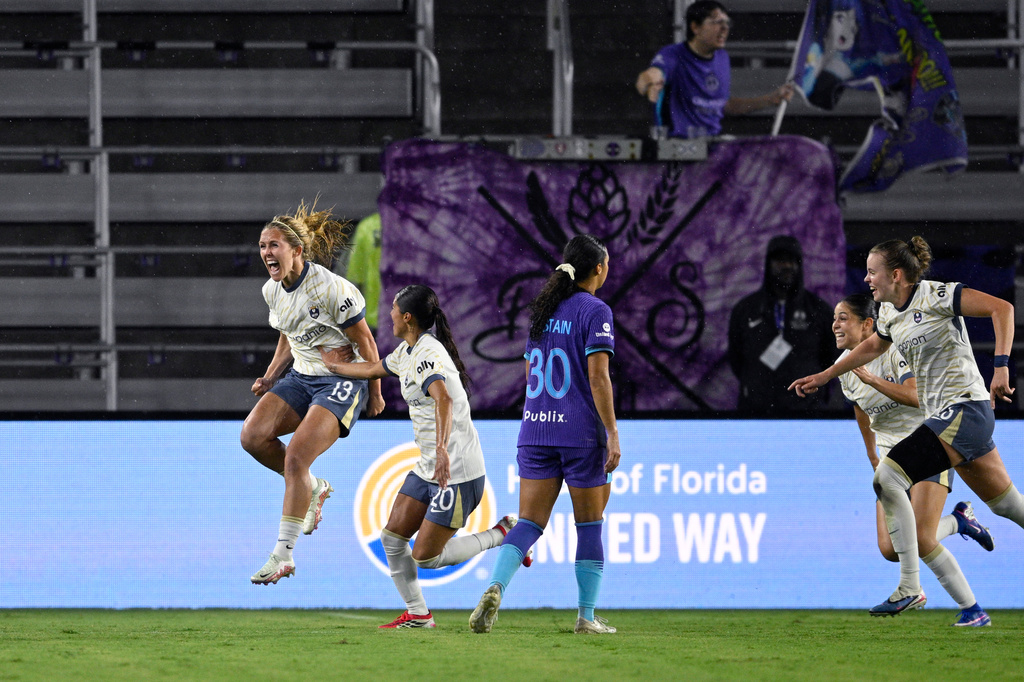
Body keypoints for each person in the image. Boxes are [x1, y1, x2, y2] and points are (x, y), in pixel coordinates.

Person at [790, 237, 1019, 626]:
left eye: (872, 272)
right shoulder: (890, 315)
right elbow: (872, 348)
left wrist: (1001, 367)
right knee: (1007, 505)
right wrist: (826, 375)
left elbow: (1003, 308)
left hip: (965, 408)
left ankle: (910, 587)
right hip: (949, 420)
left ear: (896, 275)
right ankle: (967, 607)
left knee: (888, 477)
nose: (866, 279)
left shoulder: (936, 296)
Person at [318, 284, 527, 628]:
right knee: (391, 537)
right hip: (429, 466)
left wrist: (443, 449)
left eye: (394, 310)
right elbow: (373, 369)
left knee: (426, 558)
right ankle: (419, 615)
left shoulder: (429, 353)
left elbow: (443, 399)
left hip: (457, 471)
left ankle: (502, 534)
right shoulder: (406, 351)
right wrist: (334, 367)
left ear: (408, 318)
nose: (389, 314)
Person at [470, 234, 622, 635]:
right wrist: (612, 431)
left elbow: (528, 373)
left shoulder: (543, 310)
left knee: (529, 523)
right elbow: (598, 375)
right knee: (589, 525)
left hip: (536, 429)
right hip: (580, 433)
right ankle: (586, 618)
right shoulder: (596, 310)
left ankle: (494, 588)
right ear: (599, 269)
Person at [240, 201, 385, 585]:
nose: (266, 253)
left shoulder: (332, 289)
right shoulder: (272, 291)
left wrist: (377, 392)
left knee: (296, 459)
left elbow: (367, 343)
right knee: (252, 437)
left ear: (297, 251)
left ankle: (282, 555)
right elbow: (288, 333)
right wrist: (271, 376)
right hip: (302, 377)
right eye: (262, 246)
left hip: (341, 380)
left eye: (274, 245)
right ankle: (312, 487)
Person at [833, 293, 994, 624]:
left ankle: (973, 611)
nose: (835, 324)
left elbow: (917, 396)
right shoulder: (843, 370)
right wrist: (871, 453)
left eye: (843, 317)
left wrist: (873, 379)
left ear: (867, 325)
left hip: (930, 445)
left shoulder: (894, 352)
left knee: (921, 539)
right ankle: (960, 522)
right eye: (834, 318)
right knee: (890, 550)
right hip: (891, 458)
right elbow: (861, 410)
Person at [634, 0, 794, 138]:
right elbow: (649, 76)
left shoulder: (722, 58)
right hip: (678, 150)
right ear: (695, 27)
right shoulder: (673, 55)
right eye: (716, 22)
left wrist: (770, 99)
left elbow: (725, 106)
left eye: (727, 23)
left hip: (712, 146)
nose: (725, 28)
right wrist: (649, 84)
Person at [727, 235, 836, 412]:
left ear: (799, 266)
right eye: (780, 260)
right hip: (756, 408)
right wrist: (756, 384)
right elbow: (736, 358)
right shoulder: (746, 309)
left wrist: (816, 392)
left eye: (792, 261)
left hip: (806, 410)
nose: (786, 266)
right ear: (768, 265)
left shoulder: (819, 310)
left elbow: (831, 357)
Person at [345, 212, 382, 333]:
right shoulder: (422, 226)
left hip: (376, 318)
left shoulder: (368, 226)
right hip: (412, 320)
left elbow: (355, 277)